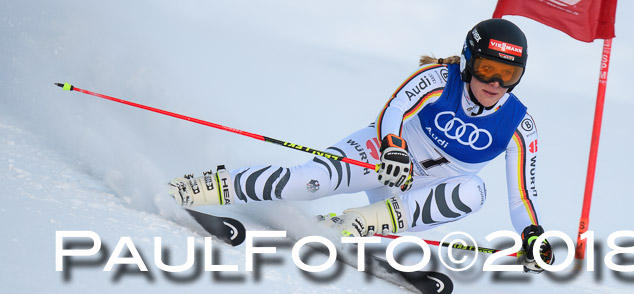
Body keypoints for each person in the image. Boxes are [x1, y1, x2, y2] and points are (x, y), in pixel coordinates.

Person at [168, 18, 555, 273]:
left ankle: (350, 226)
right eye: (488, 69)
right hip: (382, 157)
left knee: (474, 191)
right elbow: (394, 108)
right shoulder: (440, 77)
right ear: (469, 62)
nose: (496, 84)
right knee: (305, 183)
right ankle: (197, 188)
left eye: (509, 75)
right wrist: (393, 147)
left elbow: (522, 195)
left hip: (413, 195)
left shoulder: (519, 124)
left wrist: (532, 236)